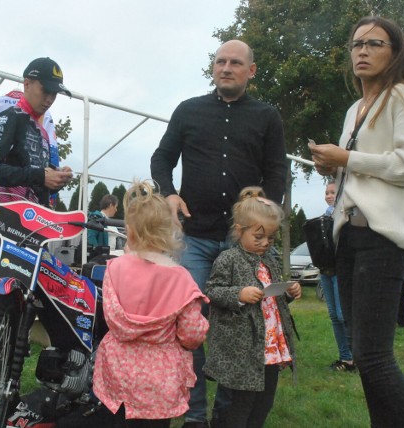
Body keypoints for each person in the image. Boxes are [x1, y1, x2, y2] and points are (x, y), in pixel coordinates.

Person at [309, 16, 404, 427]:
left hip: (381, 241)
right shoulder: (354, 110)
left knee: (374, 357)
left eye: (374, 43)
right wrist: (333, 169)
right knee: (364, 358)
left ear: (395, 52)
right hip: (349, 237)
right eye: (356, 44)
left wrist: (346, 159)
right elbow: (365, 170)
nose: (362, 51)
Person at [150, 39, 287, 428]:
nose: (226, 68)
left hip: (243, 243)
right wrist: (170, 193)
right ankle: (194, 416)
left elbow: (277, 170)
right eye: (220, 61)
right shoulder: (188, 110)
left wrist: (267, 215)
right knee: (191, 325)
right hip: (193, 238)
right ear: (214, 67)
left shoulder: (267, 116)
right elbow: (162, 158)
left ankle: (231, 412)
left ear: (251, 71)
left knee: (244, 326)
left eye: (235, 63)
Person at [93, 180, 209, 428]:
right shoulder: (181, 278)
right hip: (160, 377)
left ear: (130, 231)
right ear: (169, 232)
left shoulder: (115, 268)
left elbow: (111, 317)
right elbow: (192, 333)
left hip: (118, 370)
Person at [203, 186, 301, 428]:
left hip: (270, 347)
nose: (265, 243)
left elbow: (271, 298)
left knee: (264, 402)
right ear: (239, 231)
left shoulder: (270, 260)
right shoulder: (228, 259)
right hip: (242, 350)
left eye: (270, 238)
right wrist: (239, 294)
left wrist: (287, 293)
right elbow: (212, 292)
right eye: (259, 237)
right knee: (240, 404)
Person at [0, 57, 73, 205]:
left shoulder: (43, 132)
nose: (50, 99)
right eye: (46, 90)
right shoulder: (10, 118)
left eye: (54, 94)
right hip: (9, 221)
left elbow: (35, 183)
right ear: (26, 84)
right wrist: (40, 176)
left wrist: (57, 179)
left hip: (35, 219)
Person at [321, 181, 355, 371]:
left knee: (344, 315)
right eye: (326, 192)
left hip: (342, 270)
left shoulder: (347, 215)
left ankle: (355, 356)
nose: (328, 195)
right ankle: (345, 358)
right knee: (334, 315)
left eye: (333, 192)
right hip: (326, 270)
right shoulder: (325, 216)